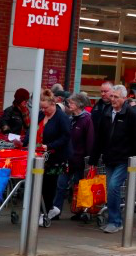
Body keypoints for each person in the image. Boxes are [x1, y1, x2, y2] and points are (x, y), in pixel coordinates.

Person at [91, 84, 136, 233]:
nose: (112, 99)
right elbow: (99, 137)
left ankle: (115, 221)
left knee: (114, 186)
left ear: (124, 98)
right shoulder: (107, 112)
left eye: (116, 97)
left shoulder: (132, 114)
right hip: (109, 157)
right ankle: (113, 218)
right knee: (110, 188)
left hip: (124, 158)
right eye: (111, 96)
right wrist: (94, 159)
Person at [18, 89, 71, 226]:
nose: (43, 110)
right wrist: (23, 143)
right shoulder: (41, 115)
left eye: (45, 107)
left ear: (53, 103)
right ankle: (47, 209)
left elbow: (65, 137)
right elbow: (32, 130)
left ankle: (46, 211)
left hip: (54, 157)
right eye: (41, 107)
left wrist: (50, 146)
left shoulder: (61, 117)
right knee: (39, 184)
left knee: (48, 185)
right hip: (39, 155)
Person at [53, 92, 93, 221]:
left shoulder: (87, 120)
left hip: (79, 160)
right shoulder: (70, 119)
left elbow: (89, 140)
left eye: (71, 102)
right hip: (67, 159)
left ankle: (79, 211)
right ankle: (56, 210)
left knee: (78, 187)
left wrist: (88, 159)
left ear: (78, 105)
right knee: (60, 185)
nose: (68, 104)